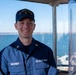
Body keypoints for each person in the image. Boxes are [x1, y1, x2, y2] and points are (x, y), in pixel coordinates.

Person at [0, 8, 57, 75]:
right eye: (22, 23)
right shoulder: (5, 54)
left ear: (34, 26)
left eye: (29, 23)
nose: (26, 26)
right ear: (16, 26)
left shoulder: (46, 51)